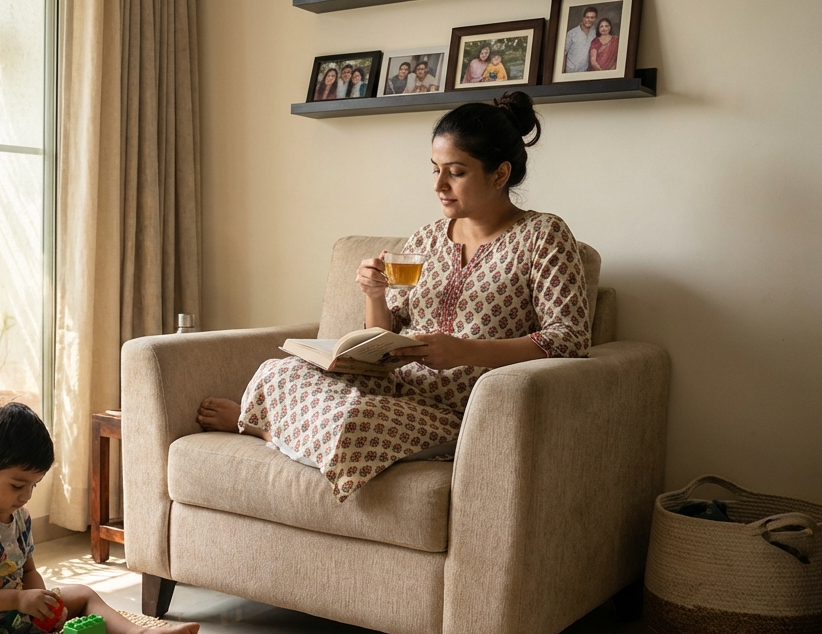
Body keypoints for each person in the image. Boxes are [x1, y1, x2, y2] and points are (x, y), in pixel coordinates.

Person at [196, 92, 591, 502]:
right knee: (280, 371)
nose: (438, 185)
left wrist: (464, 351)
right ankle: (287, 428)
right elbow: (385, 335)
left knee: (355, 419)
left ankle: (261, 427)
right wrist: (374, 295)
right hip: (394, 388)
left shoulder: (543, 236)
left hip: (460, 410)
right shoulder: (425, 239)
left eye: (455, 172)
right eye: (435, 170)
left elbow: (569, 339)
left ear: (499, 174)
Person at [0, 403, 199, 634]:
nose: (26, 496)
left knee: (82, 594)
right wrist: (18, 600)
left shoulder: (19, 514)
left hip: (14, 610)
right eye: (18, 485)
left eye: (34, 485)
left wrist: (44, 609)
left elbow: (28, 570)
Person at [563, 6, 598, 73]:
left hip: (585, 72)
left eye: (592, 17)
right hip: (570, 71)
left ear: (595, 19)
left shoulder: (595, 32)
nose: (589, 20)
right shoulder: (572, 33)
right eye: (587, 17)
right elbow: (564, 53)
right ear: (583, 18)